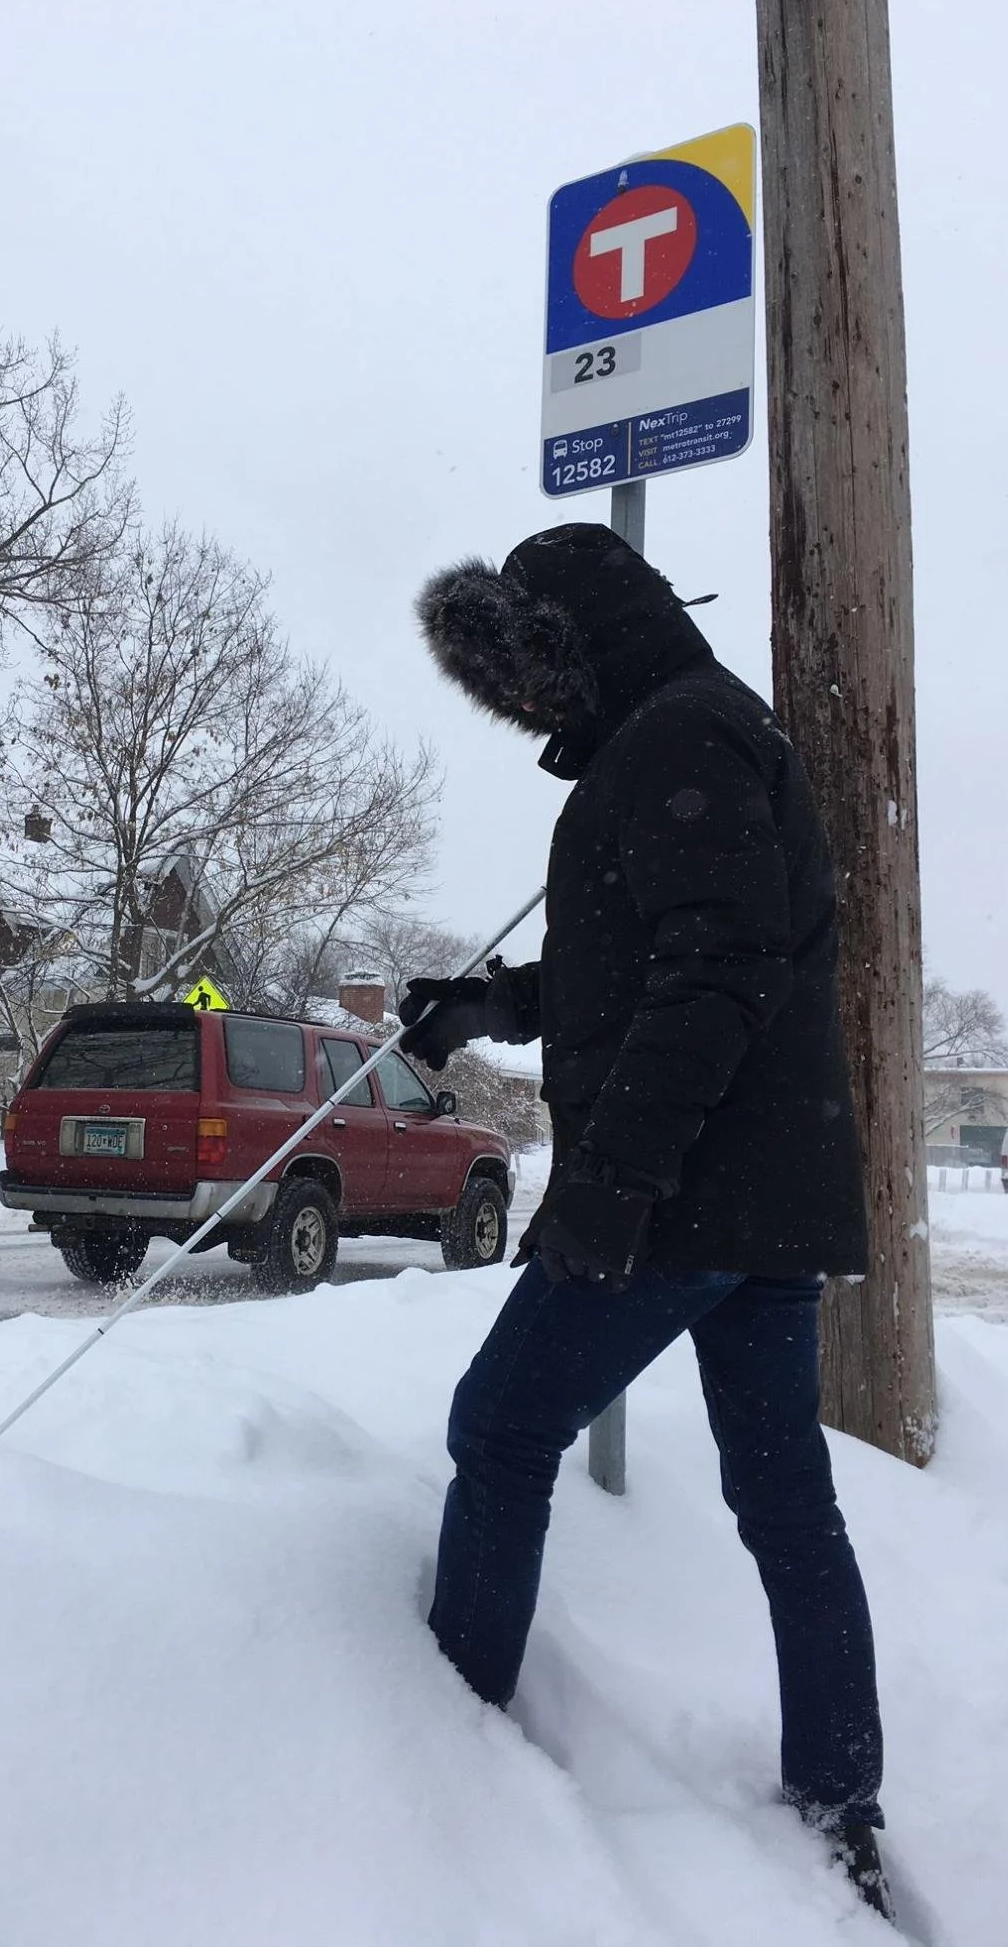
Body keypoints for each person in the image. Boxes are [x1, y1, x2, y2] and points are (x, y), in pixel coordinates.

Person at [399, 521, 893, 1922]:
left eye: (541, 671)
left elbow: (715, 975)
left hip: (684, 1199)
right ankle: (839, 1799)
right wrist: (493, 1003)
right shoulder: (691, 735)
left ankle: (445, 1751)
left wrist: (610, 1188)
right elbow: (645, 952)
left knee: (500, 1427)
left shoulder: (679, 741)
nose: (539, 709)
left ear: (583, 638)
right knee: (786, 1502)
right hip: (766, 1205)